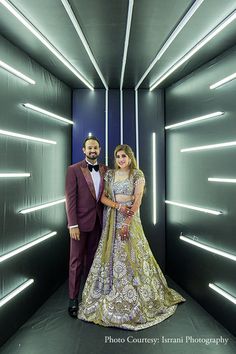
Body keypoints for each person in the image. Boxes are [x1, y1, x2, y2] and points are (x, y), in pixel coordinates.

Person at [78, 144, 185, 330]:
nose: (121, 160)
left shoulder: (137, 174)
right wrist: (118, 207)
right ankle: (110, 291)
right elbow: (102, 198)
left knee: (133, 253)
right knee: (111, 254)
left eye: (124, 156)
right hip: (112, 218)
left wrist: (127, 222)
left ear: (130, 157)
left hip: (130, 218)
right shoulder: (110, 174)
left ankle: (135, 292)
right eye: (118, 156)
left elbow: (138, 199)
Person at [65, 136, 107, 318]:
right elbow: (70, 199)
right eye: (89, 148)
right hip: (79, 225)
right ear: (83, 150)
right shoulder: (73, 169)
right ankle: (73, 299)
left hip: (98, 223)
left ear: (99, 150)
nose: (92, 151)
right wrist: (72, 223)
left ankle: (89, 295)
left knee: (92, 261)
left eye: (95, 148)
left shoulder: (106, 169)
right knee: (76, 262)